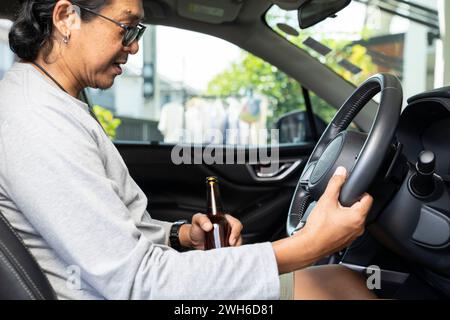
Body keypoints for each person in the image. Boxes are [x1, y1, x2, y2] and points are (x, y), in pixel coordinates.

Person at [0, 0, 375, 300]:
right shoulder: (35, 119)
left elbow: (111, 239)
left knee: (342, 283)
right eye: (126, 26)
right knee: (337, 288)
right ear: (68, 18)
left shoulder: (55, 103)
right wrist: (305, 247)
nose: (133, 46)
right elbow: (137, 284)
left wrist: (180, 235)